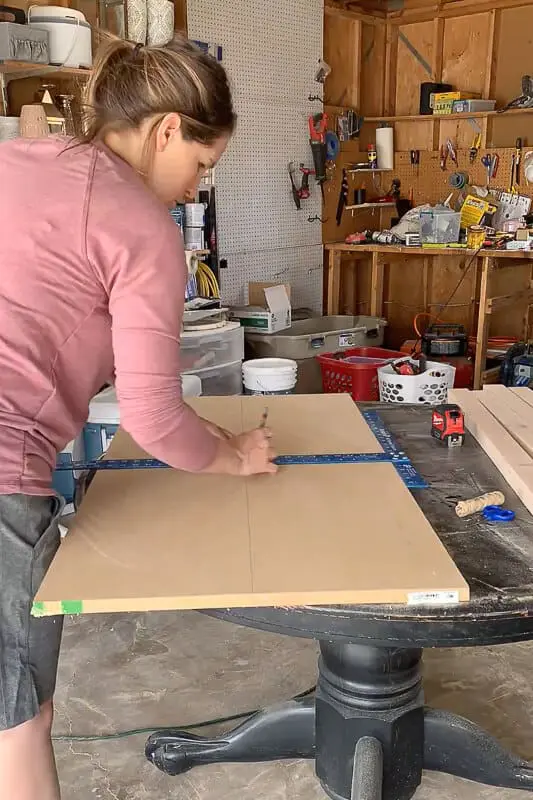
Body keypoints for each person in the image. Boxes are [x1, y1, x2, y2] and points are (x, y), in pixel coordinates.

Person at [0, 34, 276, 800]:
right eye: (202, 165)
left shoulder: (21, 162)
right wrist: (236, 459)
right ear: (165, 132)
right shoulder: (141, 225)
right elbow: (152, 419)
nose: (195, 189)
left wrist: (209, 431)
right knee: (18, 716)